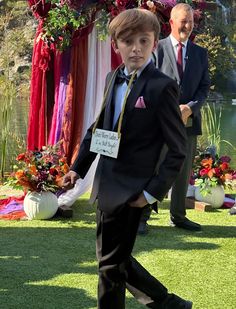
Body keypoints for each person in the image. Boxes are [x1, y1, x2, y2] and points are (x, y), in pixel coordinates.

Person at [62, 8, 192, 309]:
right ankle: (168, 303)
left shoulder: (162, 87)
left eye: (144, 41)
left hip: (133, 191)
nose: (136, 48)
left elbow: (177, 150)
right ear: (115, 44)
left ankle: (166, 303)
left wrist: (149, 194)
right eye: (127, 41)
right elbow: (99, 128)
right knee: (112, 259)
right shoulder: (112, 78)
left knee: (109, 267)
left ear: (154, 43)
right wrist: (78, 168)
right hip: (107, 184)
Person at [138, 3, 210, 234]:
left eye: (190, 21)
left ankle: (178, 216)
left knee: (182, 170)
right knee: (153, 168)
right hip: (158, 125)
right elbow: (146, 83)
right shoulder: (156, 49)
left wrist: (190, 107)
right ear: (171, 22)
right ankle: (142, 217)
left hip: (188, 123)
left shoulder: (200, 53)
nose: (187, 26)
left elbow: (204, 88)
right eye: (183, 21)